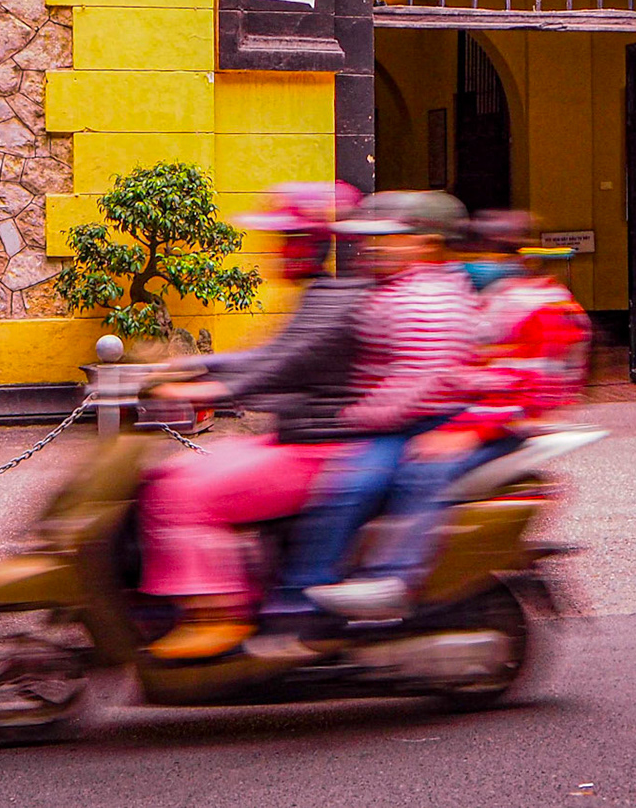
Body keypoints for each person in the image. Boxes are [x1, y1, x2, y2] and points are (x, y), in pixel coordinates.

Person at [310, 210, 591, 621]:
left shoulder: (542, 306)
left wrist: (466, 433)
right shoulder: (491, 299)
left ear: (515, 257)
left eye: (488, 255)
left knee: (424, 471)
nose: (475, 264)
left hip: (507, 425)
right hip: (474, 415)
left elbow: (527, 390)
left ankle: (395, 577)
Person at [132, 182, 371, 661]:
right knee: (170, 473)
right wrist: (186, 367)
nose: (279, 252)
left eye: (288, 241)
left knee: (183, 494)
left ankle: (220, 614)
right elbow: (270, 355)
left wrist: (210, 389)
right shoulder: (322, 294)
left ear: (310, 244)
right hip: (295, 443)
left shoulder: (336, 300)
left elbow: (283, 364)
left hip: (321, 452)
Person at [254, 190, 478, 650]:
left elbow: (422, 377)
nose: (375, 247)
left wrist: (361, 413)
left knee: (351, 485)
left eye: (392, 239)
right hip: (396, 417)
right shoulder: (391, 287)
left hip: (418, 420)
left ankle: (310, 596)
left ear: (427, 244)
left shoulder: (430, 296)